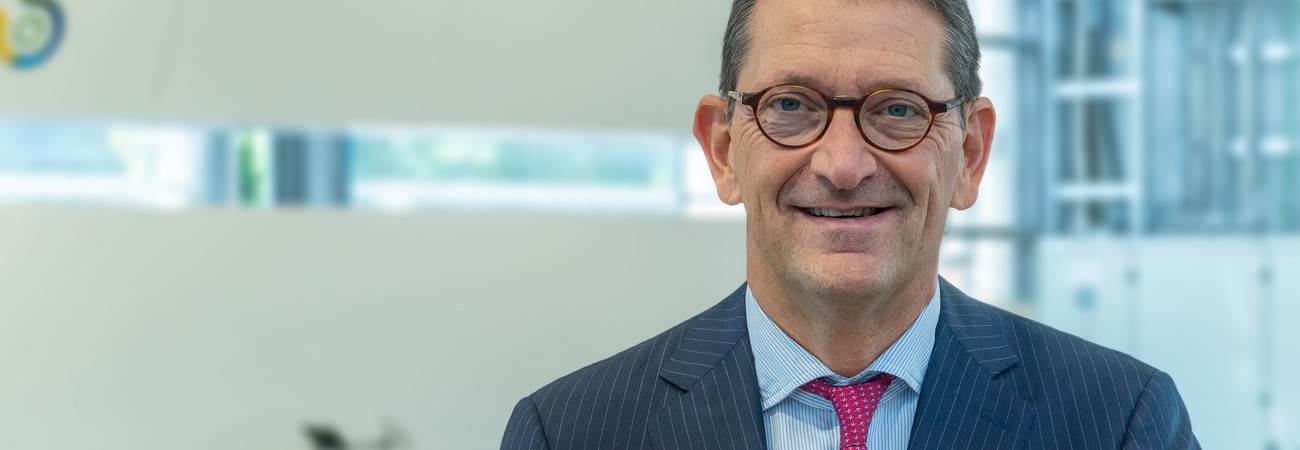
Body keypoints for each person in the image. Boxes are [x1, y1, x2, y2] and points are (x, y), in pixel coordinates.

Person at [501, 0, 1199, 448]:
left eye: (897, 110)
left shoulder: (1119, 421)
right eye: (790, 105)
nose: (842, 165)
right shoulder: (571, 431)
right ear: (722, 150)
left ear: (970, 154)